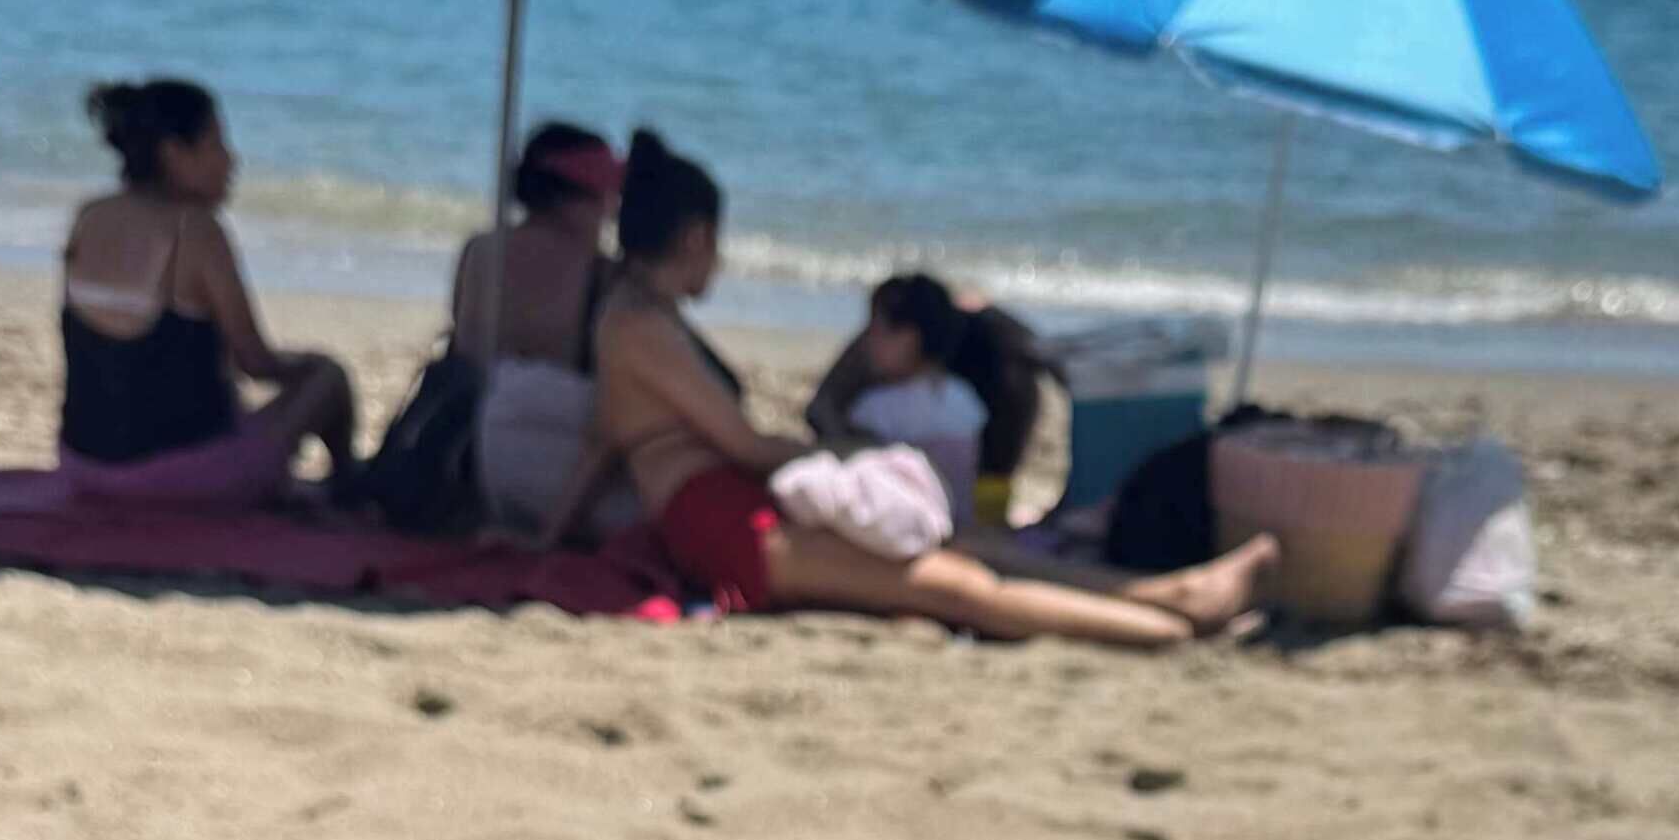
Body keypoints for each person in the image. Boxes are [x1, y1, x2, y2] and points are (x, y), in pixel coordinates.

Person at [592, 135, 1272, 648]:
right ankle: (1166, 627)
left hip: (726, 506)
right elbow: (736, 442)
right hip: (717, 522)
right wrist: (835, 450)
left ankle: (1174, 593)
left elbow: (611, 438)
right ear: (696, 235)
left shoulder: (640, 317)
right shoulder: (639, 325)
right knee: (955, 585)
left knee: (963, 547)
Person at [60, 83, 354, 499]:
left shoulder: (88, 217)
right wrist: (305, 364)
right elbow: (255, 360)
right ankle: (348, 492)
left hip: (82, 466)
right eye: (216, 144)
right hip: (178, 480)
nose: (231, 160)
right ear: (172, 153)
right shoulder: (196, 231)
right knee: (330, 377)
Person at [452, 122, 625, 541]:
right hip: (539, 453)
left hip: (459, 451)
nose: (611, 209)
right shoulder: (598, 273)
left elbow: (461, 346)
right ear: (574, 198)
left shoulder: (480, 250)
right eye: (605, 194)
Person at [806, 275, 1051, 523]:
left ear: (909, 339)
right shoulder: (966, 400)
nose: (869, 343)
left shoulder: (876, 408)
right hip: (964, 514)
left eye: (876, 331)